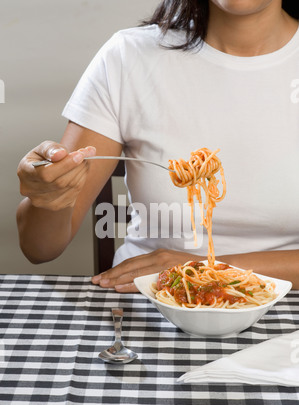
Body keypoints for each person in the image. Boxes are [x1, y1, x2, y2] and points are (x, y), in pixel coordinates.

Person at [17, 0, 299, 292]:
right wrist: (48, 198)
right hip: (148, 301)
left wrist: (202, 270)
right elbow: (39, 250)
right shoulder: (128, 57)